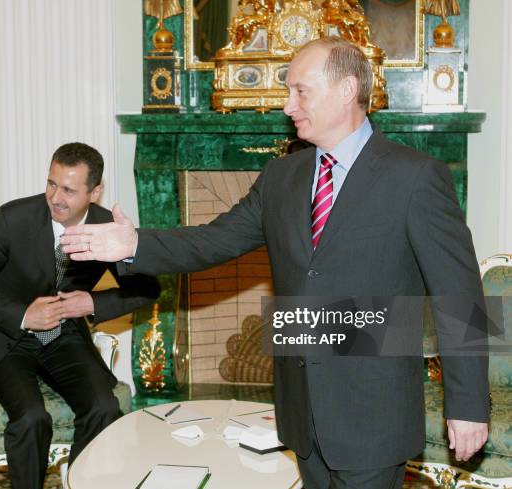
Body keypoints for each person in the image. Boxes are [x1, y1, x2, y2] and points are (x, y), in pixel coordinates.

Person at [60, 37, 489, 489]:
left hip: (373, 414)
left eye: (300, 91)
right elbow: (212, 240)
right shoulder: (283, 176)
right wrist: (133, 245)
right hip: (301, 412)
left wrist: (468, 405)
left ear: (346, 89)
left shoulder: (416, 176)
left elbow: (459, 294)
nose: (287, 105)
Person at [0, 142, 160, 489]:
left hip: (64, 336)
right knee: (32, 417)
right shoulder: (10, 219)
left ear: (95, 192)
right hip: (6, 339)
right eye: (51, 184)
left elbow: (148, 289)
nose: (56, 198)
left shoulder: (106, 228)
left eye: (69, 190)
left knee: (104, 408)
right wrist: (22, 315)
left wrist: (92, 303)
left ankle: (81, 482)